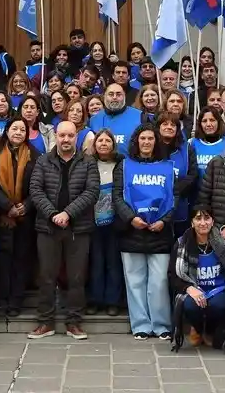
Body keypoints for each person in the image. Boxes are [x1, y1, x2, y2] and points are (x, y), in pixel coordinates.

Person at [26, 121, 100, 340]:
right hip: (48, 228)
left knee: (77, 277)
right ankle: (45, 322)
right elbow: (36, 190)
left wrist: (67, 213)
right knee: (47, 276)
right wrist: (52, 214)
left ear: (76, 137)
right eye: (61, 136)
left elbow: (91, 192)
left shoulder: (88, 162)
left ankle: (74, 323)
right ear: (55, 137)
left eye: (70, 136)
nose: (65, 140)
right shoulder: (43, 161)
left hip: (79, 227)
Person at [112, 125, 176, 339]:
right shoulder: (124, 165)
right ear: (136, 141)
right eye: (143, 138)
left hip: (160, 232)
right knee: (135, 281)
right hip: (132, 231)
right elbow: (117, 196)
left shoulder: (167, 167)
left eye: (150, 138)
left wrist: (164, 221)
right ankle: (140, 325)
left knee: (158, 282)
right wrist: (131, 218)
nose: (147, 142)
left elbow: (174, 199)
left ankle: (161, 325)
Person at [0, 118, 40, 318]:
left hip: (26, 217)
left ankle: (16, 301)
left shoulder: (35, 156)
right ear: (6, 131)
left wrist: (25, 206)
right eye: (14, 128)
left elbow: (38, 186)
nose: (18, 132)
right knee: (3, 261)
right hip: (2, 216)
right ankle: (1, 301)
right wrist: (8, 206)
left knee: (21, 260)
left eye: (22, 129)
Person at [170, 206, 225, 349]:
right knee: (190, 305)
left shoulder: (223, 242)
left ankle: (209, 330)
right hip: (195, 288)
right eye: (198, 218)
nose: (203, 223)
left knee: (219, 304)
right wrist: (189, 288)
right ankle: (196, 328)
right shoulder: (181, 244)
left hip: (219, 289)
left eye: (207, 218)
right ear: (192, 222)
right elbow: (173, 275)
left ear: (212, 221)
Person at [87, 128, 124, 316]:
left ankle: (113, 302)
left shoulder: (121, 164)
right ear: (95, 145)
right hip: (92, 221)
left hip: (115, 222)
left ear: (113, 144)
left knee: (113, 262)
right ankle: (94, 300)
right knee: (96, 262)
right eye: (100, 141)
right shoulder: (88, 163)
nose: (103, 144)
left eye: (107, 141)